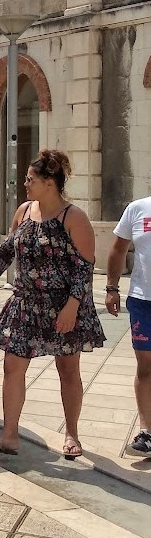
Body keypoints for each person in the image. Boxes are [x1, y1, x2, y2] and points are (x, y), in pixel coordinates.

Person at [0, 149, 105, 459]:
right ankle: (9, 436)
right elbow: (9, 248)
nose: (25, 184)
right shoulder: (23, 211)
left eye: (30, 179)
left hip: (63, 306)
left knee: (68, 370)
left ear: (50, 183)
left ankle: (72, 433)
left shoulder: (73, 217)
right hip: (25, 305)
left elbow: (84, 268)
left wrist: (72, 307)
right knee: (12, 368)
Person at [105, 178, 151, 457]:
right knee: (145, 367)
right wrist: (111, 288)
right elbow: (118, 249)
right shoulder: (137, 209)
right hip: (142, 300)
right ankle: (146, 432)